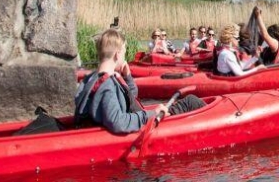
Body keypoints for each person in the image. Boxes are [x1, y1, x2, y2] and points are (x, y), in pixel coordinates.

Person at [75, 29, 205, 133]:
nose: (124, 56)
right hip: (144, 122)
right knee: (191, 101)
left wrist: (128, 77)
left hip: (138, 115)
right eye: (124, 52)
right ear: (117, 54)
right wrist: (151, 114)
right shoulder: (106, 85)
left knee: (190, 101)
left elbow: (129, 98)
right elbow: (118, 122)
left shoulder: (90, 79)